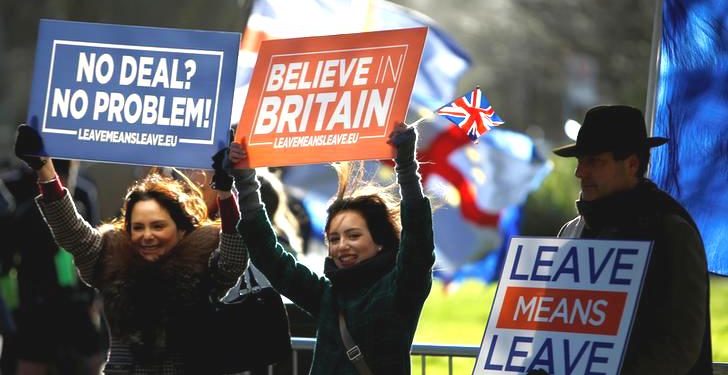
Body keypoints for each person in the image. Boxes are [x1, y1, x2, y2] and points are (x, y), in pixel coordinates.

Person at [13, 124, 249, 374]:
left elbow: (233, 256)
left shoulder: (202, 266)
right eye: (138, 227)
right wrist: (45, 170)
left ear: (181, 230)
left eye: (158, 226)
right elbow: (73, 233)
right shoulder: (113, 262)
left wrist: (225, 191)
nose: (147, 236)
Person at [231, 122, 435, 374]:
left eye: (353, 235)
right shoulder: (328, 296)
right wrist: (244, 179)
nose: (342, 246)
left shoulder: (400, 288)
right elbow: (269, 257)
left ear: (380, 240)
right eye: (334, 239)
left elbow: (418, 244)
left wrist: (405, 167)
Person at [552, 105, 712, 374]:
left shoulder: (670, 231)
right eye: (580, 161)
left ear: (632, 164)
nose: (580, 172)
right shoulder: (571, 232)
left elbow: (679, 345)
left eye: (594, 161)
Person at [0, 160, 108, 375]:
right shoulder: (21, 199)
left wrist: (93, 298)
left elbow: (94, 248)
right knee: (33, 363)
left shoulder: (82, 195)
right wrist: (13, 308)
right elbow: (6, 260)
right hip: (36, 302)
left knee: (91, 361)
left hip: (75, 301)